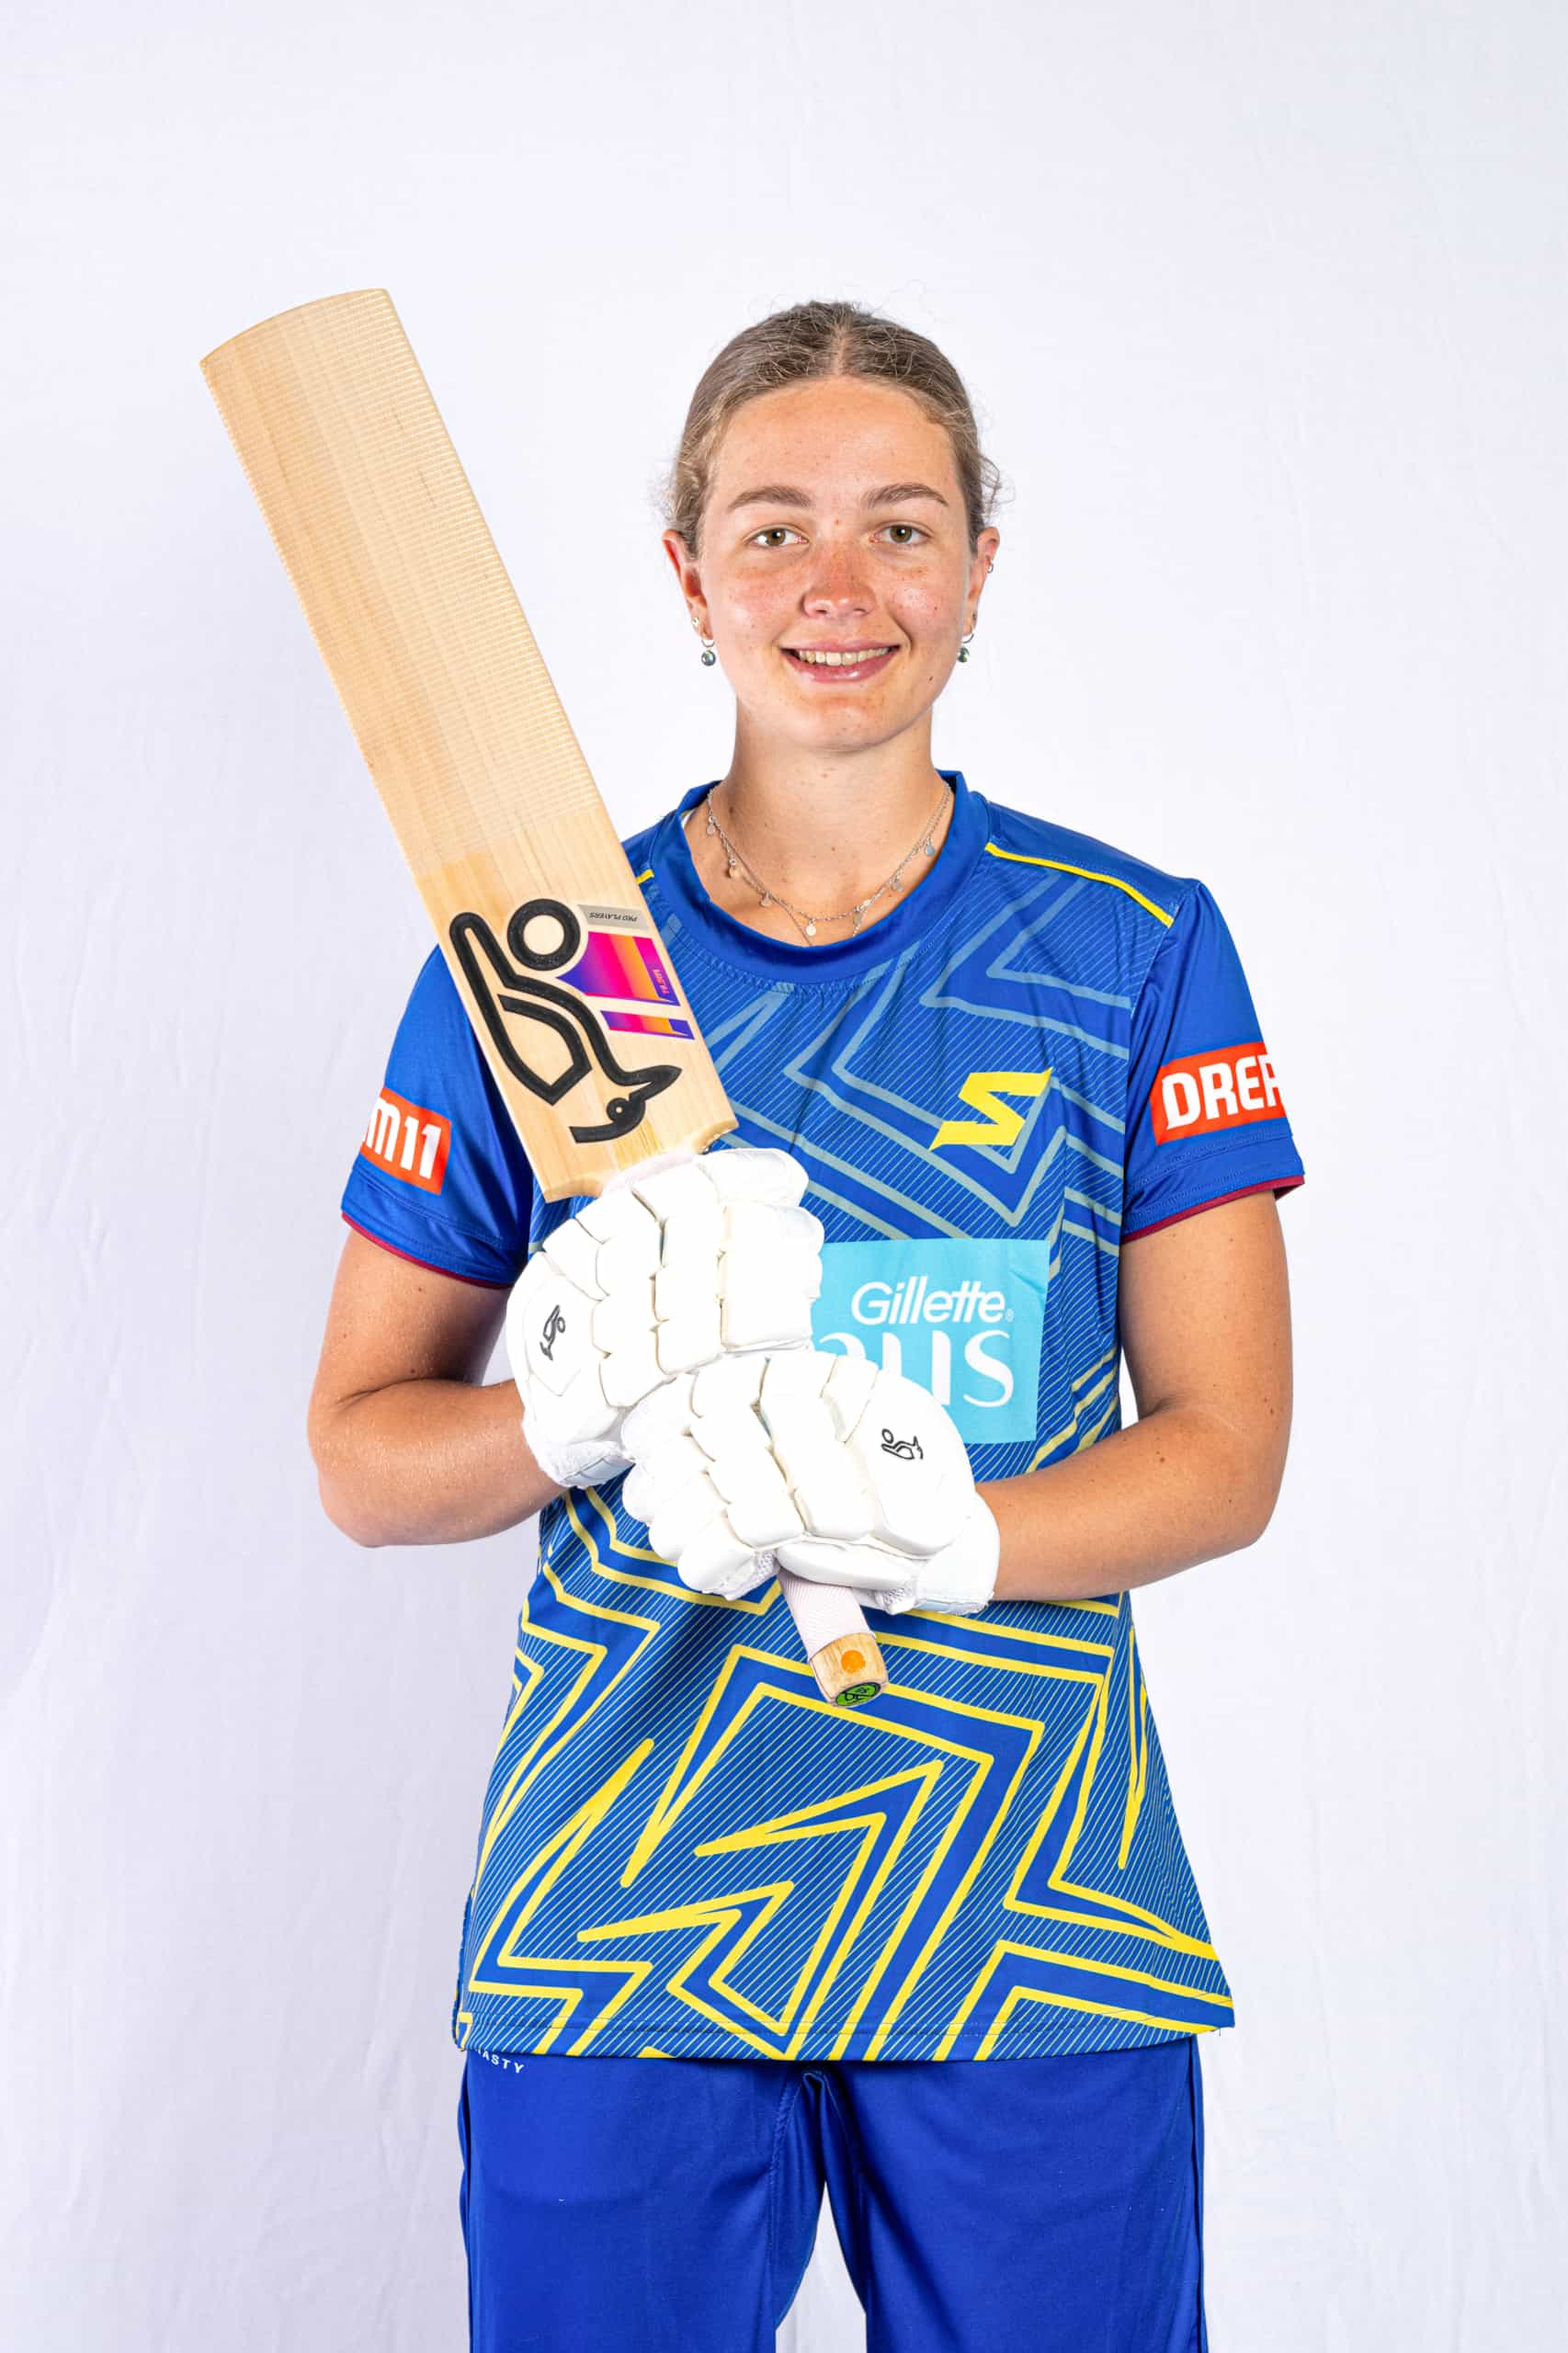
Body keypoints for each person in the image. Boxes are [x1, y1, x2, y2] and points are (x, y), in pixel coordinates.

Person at [308, 299, 1303, 2353]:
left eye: (900, 527)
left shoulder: (1130, 945)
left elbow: (1226, 1447)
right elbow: (360, 1452)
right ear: (687, 575)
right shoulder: (552, 963)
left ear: (977, 574)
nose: (836, 586)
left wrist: (965, 1545)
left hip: (1031, 1903)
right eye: (771, 529)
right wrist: (555, 1415)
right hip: (624, 1901)